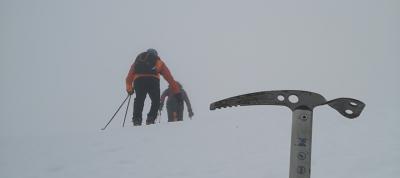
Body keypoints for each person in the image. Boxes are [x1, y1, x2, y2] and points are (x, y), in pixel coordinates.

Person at [125, 48, 181, 126]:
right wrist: (177, 92)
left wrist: (129, 89)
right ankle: (151, 119)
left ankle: (137, 120)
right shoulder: (158, 61)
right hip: (153, 80)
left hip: (139, 81)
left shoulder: (138, 61)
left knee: (139, 100)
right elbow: (169, 77)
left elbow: (129, 77)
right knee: (156, 101)